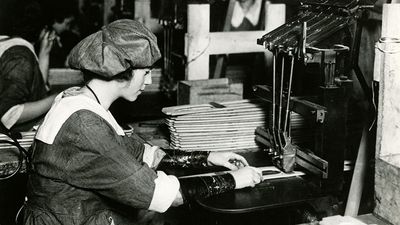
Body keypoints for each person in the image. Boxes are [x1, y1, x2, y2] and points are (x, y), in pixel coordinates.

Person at [23, 19, 263, 224]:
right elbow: (162, 195)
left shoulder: (80, 101)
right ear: (122, 71)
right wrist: (234, 180)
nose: (148, 81)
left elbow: (144, 153)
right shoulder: (85, 126)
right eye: (146, 72)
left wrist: (209, 158)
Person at [0, 0, 57, 132]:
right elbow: (9, 115)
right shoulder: (20, 55)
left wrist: (44, 54)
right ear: (43, 29)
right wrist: (57, 98)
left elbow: (34, 94)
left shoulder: (7, 44)